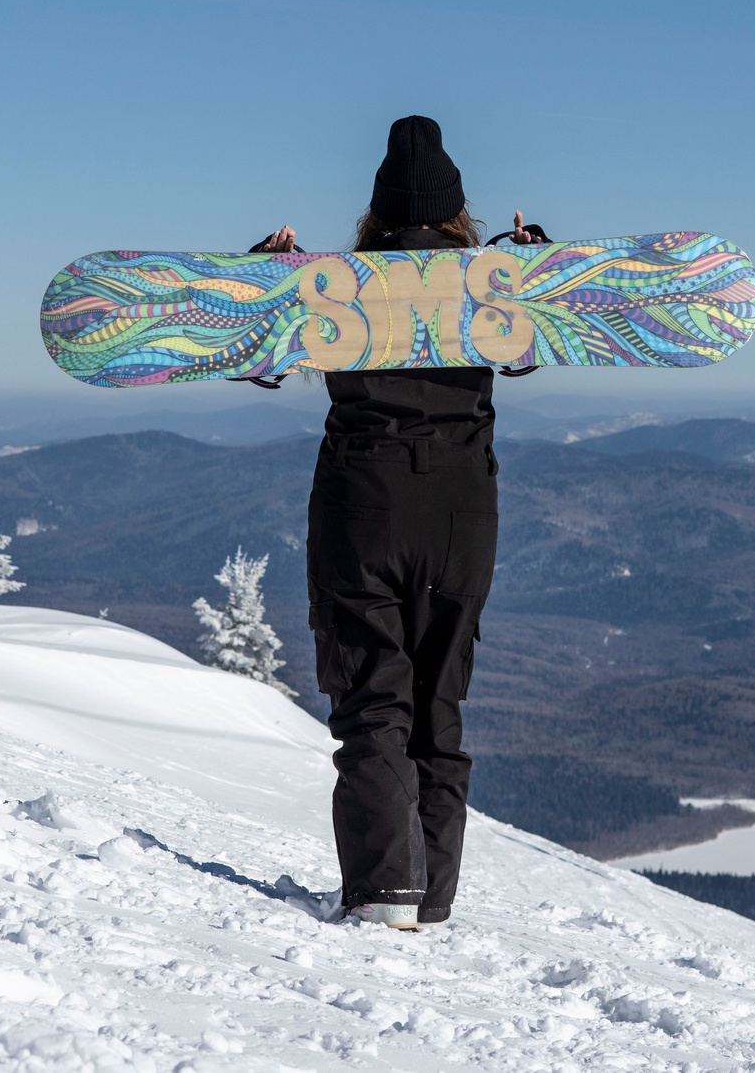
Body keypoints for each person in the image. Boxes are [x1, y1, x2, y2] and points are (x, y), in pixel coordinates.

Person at [250, 116, 544, 931]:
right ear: (457, 212)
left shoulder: (339, 284)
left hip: (363, 505)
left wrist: (267, 273)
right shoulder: (488, 284)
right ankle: (432, 895)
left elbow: (255, 356)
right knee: (437, 705)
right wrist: (535, 262)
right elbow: (526, 352)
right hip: (460, 516)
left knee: (375, 698)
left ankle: (388, 892)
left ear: (377, 213)